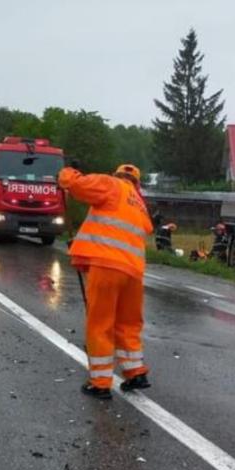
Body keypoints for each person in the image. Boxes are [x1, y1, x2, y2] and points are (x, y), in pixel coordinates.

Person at [58, 162, 153, 399]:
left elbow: (77, 186)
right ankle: (135, 373)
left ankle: (100, 382)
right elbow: (146, 230)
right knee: (128, 324)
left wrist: (66, 173)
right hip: (133, 274)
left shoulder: (112, 185)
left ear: (117, 175)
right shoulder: (140, 205)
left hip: (107, 266)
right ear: (137, 183)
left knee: (100, 323)